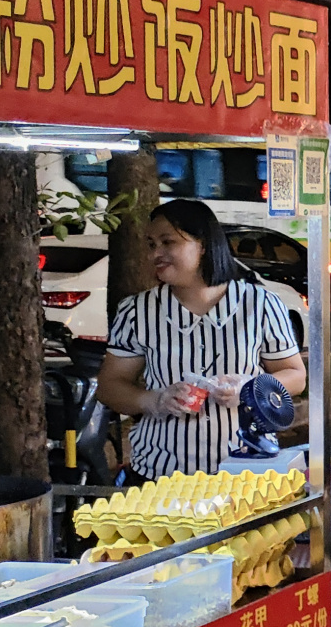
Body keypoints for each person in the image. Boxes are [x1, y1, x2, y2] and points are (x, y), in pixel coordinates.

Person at [98, 198, 307, 482]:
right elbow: (110, 387)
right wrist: (154, 400)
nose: (154, 254)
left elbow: (296, 375)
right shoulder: (137, 311)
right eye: (150, 244)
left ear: (204, 244)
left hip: (245, 472)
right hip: (160, 475)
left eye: (167, 242)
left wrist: (250, 389)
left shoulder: (260, 304)